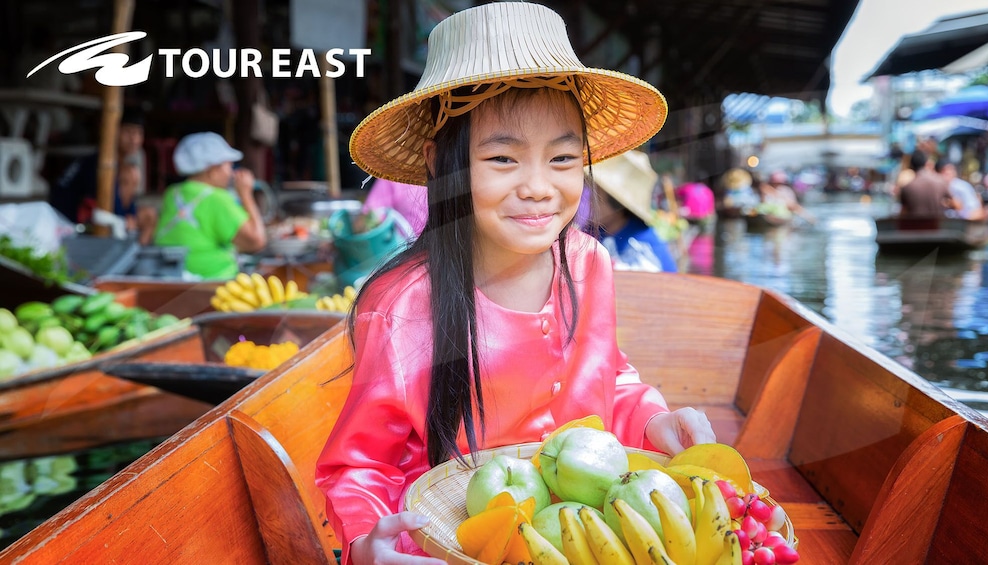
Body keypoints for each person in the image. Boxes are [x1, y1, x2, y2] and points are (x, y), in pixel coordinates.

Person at [314, 4, 716, 564]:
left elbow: (612, 378)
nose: (538, 187)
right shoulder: (403, 302)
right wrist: (365, 543)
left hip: (580, 534)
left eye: (562, 158)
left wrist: (654, 420)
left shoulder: (588, 263)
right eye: (502, 157)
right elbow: (361, 464)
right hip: (449, 543)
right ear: (440, 163)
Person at [152, 132, 267, 279]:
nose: (231, 173)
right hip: (213, 283)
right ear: (212, 170)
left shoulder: (172, 193)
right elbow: (256, 242)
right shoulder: (217, 198)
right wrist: (246, 194)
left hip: (172, 278)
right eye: (228, 166)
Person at [49, 107, 146, 227]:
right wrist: (123, 219)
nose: (134, 139)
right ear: (113, 131)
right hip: (68, 222)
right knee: (130, 174)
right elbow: (98, 205)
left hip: (95, 217)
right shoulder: (99, 163)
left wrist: (130, 216)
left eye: (138, 133)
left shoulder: (120, 163)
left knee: (147, 215)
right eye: (128, 132)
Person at [590, 150, 677, 273]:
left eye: (596, 195)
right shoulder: (592, 233)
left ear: (616, 202)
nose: (588, 200)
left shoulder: (644, 245)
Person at [899, 150, 957, 218]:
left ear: (911, 166)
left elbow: (903, 212)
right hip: (936, 225)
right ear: (926, 163)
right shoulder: (940, 181)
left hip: (916, 227)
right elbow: (957, 205)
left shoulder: (907, 187)